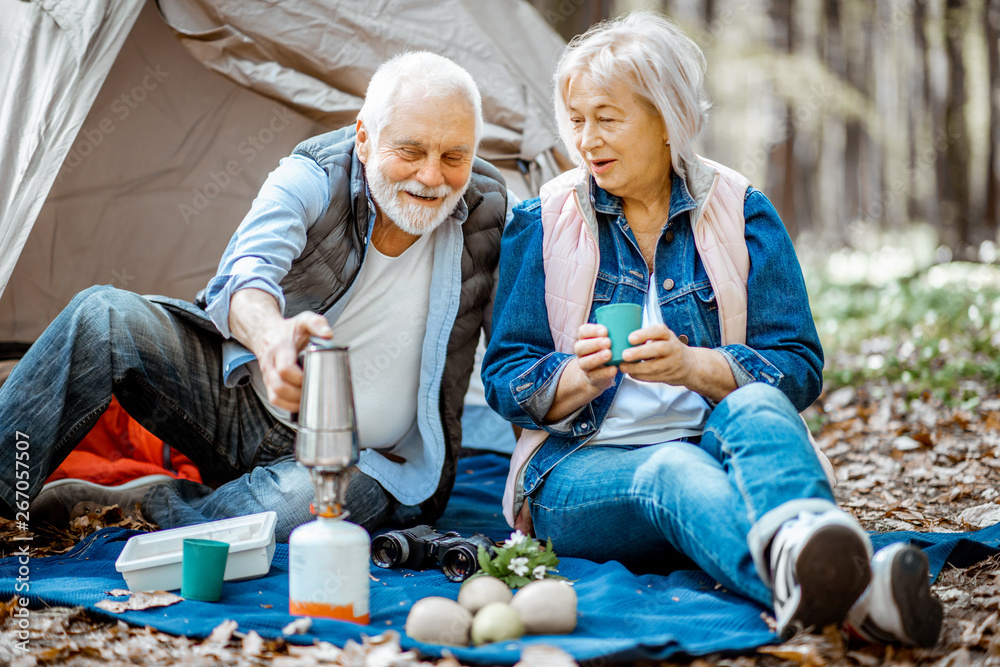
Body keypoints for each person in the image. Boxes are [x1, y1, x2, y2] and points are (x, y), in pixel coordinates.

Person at [481, 12, 942, 647]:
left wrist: (692, 366)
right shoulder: (543, 219)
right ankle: (859, 598)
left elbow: (797, 367)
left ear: (668, 119)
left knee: (755, 402)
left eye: (608, 118)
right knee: (669, 467)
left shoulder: (741, 207)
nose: (586, 139)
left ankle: (810, 556)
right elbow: (505, 374)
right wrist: (573, 377)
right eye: (578, 119)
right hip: (574, 472)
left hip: (711, 444)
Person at [2, 51, 509, 543]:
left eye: (454, 156)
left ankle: (139, 505)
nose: (432, 176)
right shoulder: (313, 173)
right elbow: (245, 273)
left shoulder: (489, 209)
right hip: (239, 402)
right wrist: (272, 340)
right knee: (101, 317)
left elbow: (511, 343)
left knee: (295, 509)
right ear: (364, 138)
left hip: (368, 463)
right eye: (411, 151)